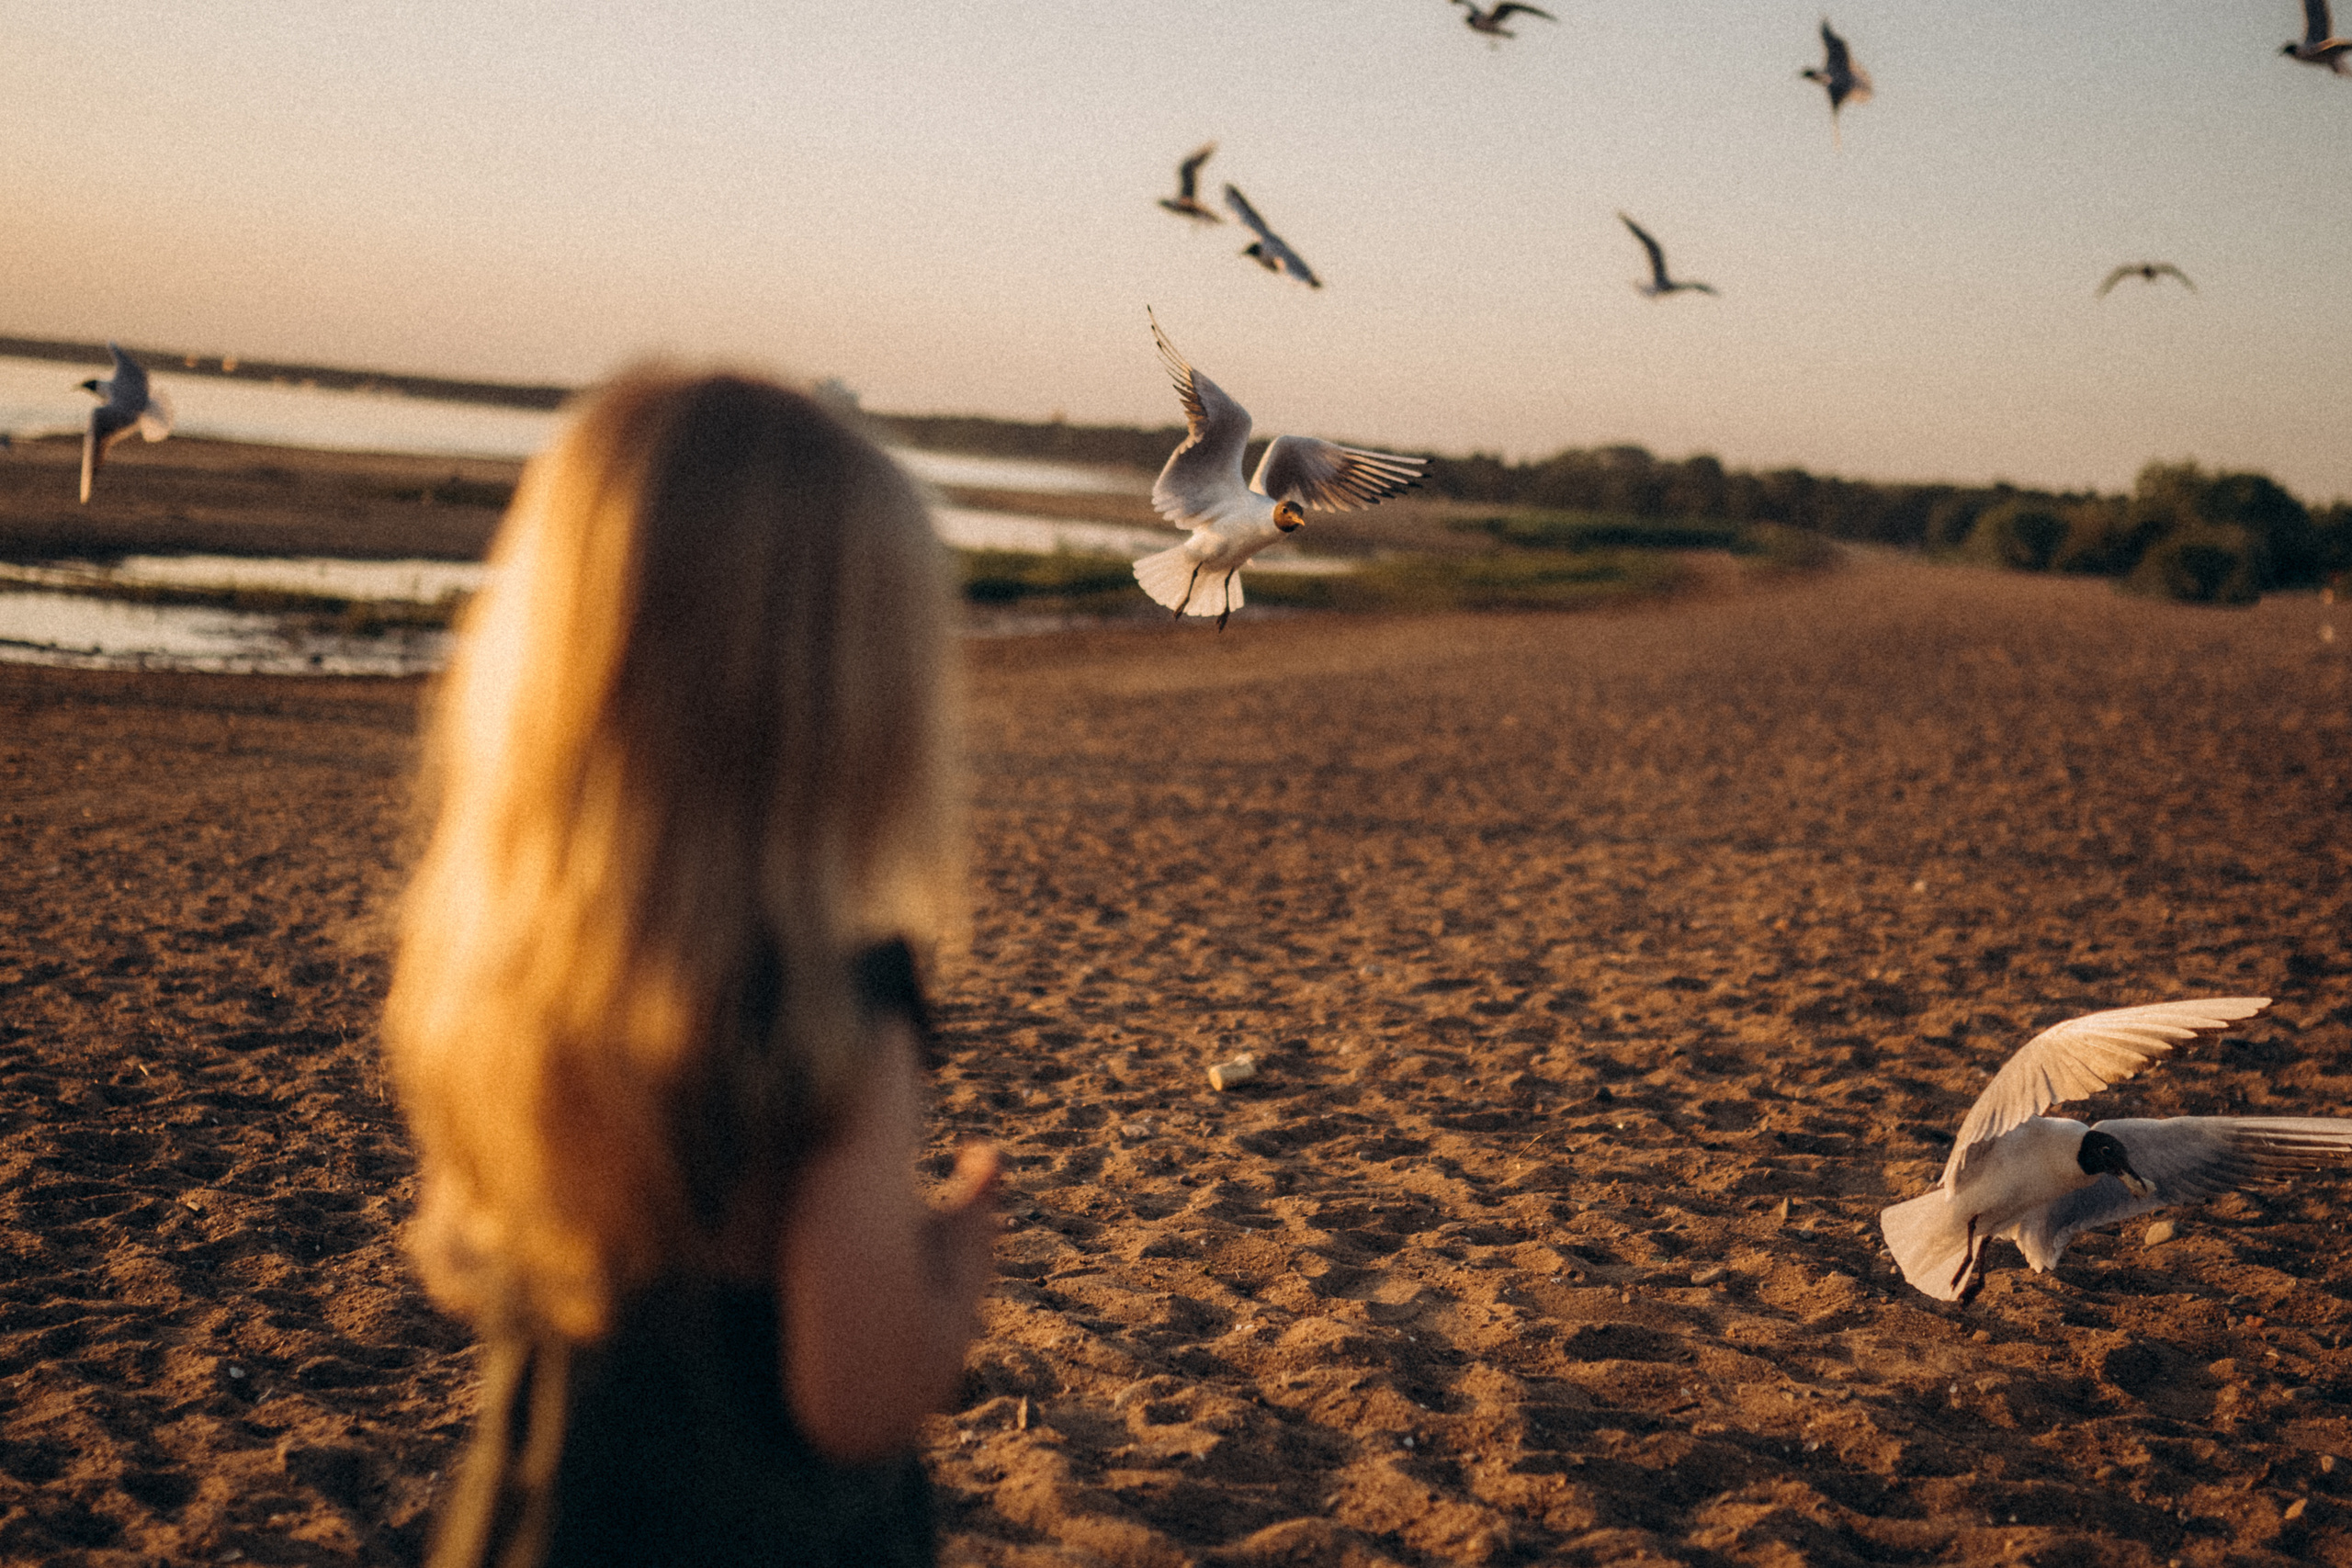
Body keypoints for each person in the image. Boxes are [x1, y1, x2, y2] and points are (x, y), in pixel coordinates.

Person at [382, 367, 1001, 1567]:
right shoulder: (836, 1018)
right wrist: (956, 1264)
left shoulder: (514, 976)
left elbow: (473, 1263)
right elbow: (856, 1396)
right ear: (856, 714)